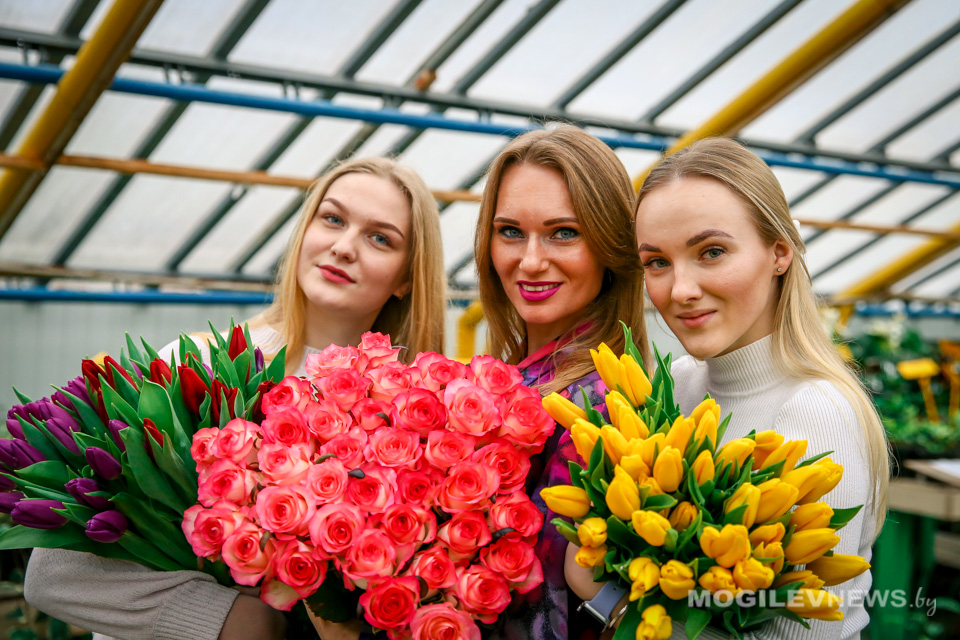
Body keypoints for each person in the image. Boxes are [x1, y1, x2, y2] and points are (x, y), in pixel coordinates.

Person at [24, 157, 446, 640]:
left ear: (406, 279)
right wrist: (232, 620)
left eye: (380, 238)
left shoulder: (411, 422)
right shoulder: (195, 365)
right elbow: (55, 573)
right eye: (332, 219)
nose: (343, 247)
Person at [567, 137, 889, 640]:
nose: (681, 290)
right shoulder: (672, 387)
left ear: (780, 252)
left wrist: (602, 597)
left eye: (711, 252)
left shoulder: (815, 411)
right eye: (656, 262)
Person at [474, 125, 649, 640]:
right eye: (510, 231)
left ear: (611, 247)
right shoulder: (506, 378)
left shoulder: (602, 405)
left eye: (563, 233)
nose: (529, 260)